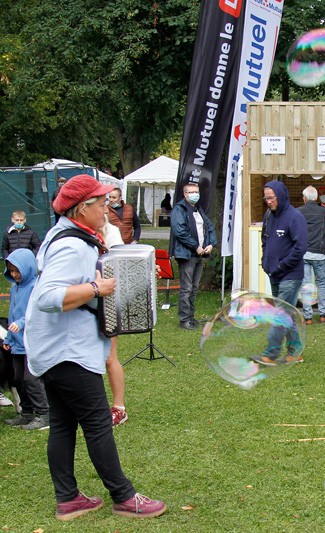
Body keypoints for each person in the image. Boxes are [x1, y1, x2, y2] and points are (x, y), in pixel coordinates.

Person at [26, 174, 166, 520]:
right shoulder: (71, 244)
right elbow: (48, 296)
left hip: (53, 348)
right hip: (66, 351)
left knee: (62, 422)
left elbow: (98, 277)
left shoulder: (68, 236)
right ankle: (123, 496)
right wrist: (95, 289)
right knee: (97, 422)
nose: (108, 207)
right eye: (102, 202)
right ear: (81, 208)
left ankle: (68, 499)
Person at [3, 248, 49, 430]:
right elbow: (11, 314)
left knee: (31, 379)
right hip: (16, 343)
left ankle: (45, 415)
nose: (14, 275)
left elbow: (35, 313)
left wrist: (21, 324)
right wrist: (8, 337)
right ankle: (27, 413)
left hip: (31, 342)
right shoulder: (15, 289)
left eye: (17, 270)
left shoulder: (35, 287)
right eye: (11, 271)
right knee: (18, 379)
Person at [170, 182, 217, 330]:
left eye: (196, 191)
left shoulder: (198, 210)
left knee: (194, 287)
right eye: (191, 192)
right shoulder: (179, 210)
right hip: (187, 254)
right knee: (187, 288)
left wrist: (211, 244)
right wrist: (195, 246)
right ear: (185, 194)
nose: (194, 194)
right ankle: (184, 320)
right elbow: (180, 232)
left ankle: (190, 317)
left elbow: (209, 227)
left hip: (199, 254)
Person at [97, 217, 128, 426]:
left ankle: (119, 408)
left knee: (110, 357)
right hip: (83, 304)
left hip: (106, 301)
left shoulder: (111, 233)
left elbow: (122, 264)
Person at [261, 180, 308, 306]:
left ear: (280, 196)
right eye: (266, 198)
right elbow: (265, 240)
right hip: (273, 273)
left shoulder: (295, 217)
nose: (269, 202)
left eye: (271, 198)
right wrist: (265, 262)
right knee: (286, 317)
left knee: (279, 314)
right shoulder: (269, 215)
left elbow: (300, 247)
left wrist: (282, 266)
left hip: (290, 275)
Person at [297, 186, 325, 324]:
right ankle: (323, 314)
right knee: (321, 284)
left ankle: (308, 317)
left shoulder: (298, 212)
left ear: (304, 198)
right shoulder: (324, 211)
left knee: (306, 284)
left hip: (303, 254)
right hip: (319, 254)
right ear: (316, 198)